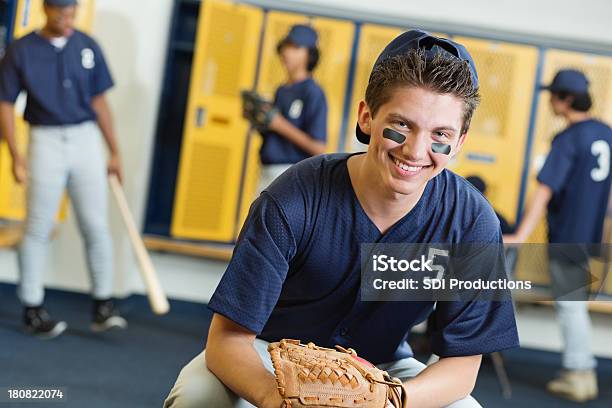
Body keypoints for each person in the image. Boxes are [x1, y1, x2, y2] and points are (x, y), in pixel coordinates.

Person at [165, 30, 519, 408]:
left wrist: (385, 401)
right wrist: (280, 400)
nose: (416, 150)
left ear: (461, 141)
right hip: (268, 353)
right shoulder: (292, 198)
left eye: (440, 135)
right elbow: (226, 341)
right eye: (402, 125)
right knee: (197, 397)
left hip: (384, 368)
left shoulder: (472, 222)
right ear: (367, 117)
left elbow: (462, 367)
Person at [0, 0, 127, 339]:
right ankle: (32, 307)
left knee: (95, 224)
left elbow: (100, 102)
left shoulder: (87, 45)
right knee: (38, 226)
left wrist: (114, 151)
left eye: (72, 12)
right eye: (62, 13)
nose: (68, 19)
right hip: (45, 139)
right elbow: (6, 104)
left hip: (86, 137)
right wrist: (15, 154)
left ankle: (103, 304)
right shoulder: (21, 50)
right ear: (46, 9)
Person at [504, 69, 611, 402]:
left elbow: (545, 189)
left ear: (565, 100)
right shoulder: (605, 134)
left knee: (570, 306)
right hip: (590, 235)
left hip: (568, 235)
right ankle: (579, 372)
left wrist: (521, 233)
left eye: (553, 95)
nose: (550, 101)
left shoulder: (568, 139)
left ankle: (580, 373)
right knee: (573, 303)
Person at [252, 24, 328, 192]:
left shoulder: (313, 92)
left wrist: (279, 124)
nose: (287, 52)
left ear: (309, 55)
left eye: (295, 48)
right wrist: (261, 121)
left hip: (291, 174)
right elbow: (274, 131)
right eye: (286, 46)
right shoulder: (281, 90)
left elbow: (318, 147)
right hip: (266, 170)